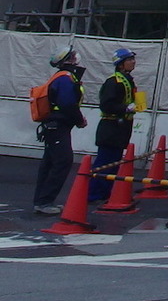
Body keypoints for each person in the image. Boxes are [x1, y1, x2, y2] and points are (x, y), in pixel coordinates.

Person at [32, 47, 86, 215]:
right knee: (62, 161)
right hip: (58, 126)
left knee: (49, 163)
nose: (76, 57)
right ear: (68, 60)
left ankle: (41, 201)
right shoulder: (65, 78)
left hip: (53, 126)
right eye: (72, 55)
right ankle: (45, 202)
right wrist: (80, 120)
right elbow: (67, 104)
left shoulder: (62, 77)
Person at [93, 47, 141, 202]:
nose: (133, 62)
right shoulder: (113, 81)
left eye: (133, 59)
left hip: (121, 128)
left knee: (114, 163)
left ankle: (106, 193)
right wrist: (125, 108)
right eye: (129, 60)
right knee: (104, 163)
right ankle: (94, 194)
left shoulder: (128, 80)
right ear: (120, 64)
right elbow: (106, 105)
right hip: (111, 127)